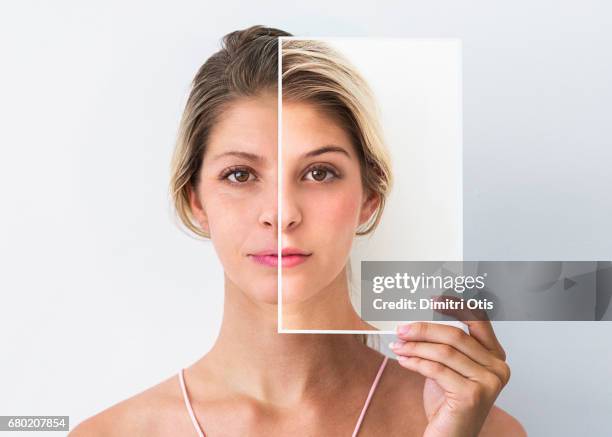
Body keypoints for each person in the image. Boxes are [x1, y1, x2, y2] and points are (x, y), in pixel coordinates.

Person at [70, 25, 526, 436]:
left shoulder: (476, 427)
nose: (281, 213)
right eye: (240, 175)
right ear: (196, 199)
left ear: (370, 197)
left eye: (320, 173)